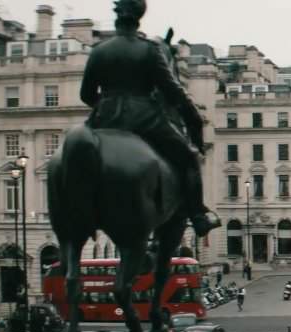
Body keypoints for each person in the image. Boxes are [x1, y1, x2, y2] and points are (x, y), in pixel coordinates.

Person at [78, 0, 220, 237]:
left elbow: (86, 94)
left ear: (117, 15)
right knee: (189, 157)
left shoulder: (99, 50)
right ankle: (197, 215)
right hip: (143, 119)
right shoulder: (149, 50)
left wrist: (106, 107)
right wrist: (193, 120)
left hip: (103, 119)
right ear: (138, 18)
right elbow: (173, 91)